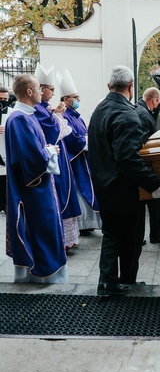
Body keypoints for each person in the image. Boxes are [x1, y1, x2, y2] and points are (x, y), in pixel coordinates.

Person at [88, 65, 160, 297]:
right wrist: (154, 182)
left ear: (109, 86)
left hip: (104, 185)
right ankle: (126, 280)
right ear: (131, 86)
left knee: (112, 234)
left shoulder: (100, 109)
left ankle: (107, 281)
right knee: (131, 238)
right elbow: (129, 159)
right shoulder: (127, 115)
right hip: (124, 189)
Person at [5, 74, 67, 283]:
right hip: (33, 188)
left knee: (47, 227)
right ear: (29, 92)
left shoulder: (27, 116)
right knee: (42, 227)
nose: (42, 93)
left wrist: (47, 149)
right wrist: (50, 152)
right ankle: (43, 275)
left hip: (39, 185)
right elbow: (31, 158)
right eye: (39, 89)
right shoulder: (19, 119)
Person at [34, 64, 81, 251]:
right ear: (40, 89)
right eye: (51, 90)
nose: (53, 93)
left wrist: (55, 114)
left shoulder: (45, 107)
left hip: (59, 155)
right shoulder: (38, 108)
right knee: (60, 194)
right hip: (53, 155)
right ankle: (61, 240)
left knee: (66, 192)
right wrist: (59, 116)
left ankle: (68, 239)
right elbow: (52, 130)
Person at [59, 69, 101, 235]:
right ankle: (83, 224)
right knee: (80, 190)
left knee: (88, 189)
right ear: (66, 100)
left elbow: (83, 132)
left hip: (85, 157)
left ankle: (89, 223)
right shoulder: (65, 116)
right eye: (75, 97)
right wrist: (86, 141)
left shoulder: (76, 115)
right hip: (76, 160)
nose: (78, 100)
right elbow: (71, 138)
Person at [135, 87, 160, 244]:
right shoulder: (144, 115)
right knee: (156, 200)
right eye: (158, 102)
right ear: (154, 100)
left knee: (152, 202)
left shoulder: (138, 110)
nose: (157, 106)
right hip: (146, 166)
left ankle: (154, 234)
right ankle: (154, 235)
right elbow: (144, 143)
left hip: (144, 166)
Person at [0, 87, 14, 212]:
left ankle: (6, 206)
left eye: (6, 99)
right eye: (1, 99)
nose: (3, 101)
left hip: (5, 150)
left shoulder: (11, 112)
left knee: (5, 181)